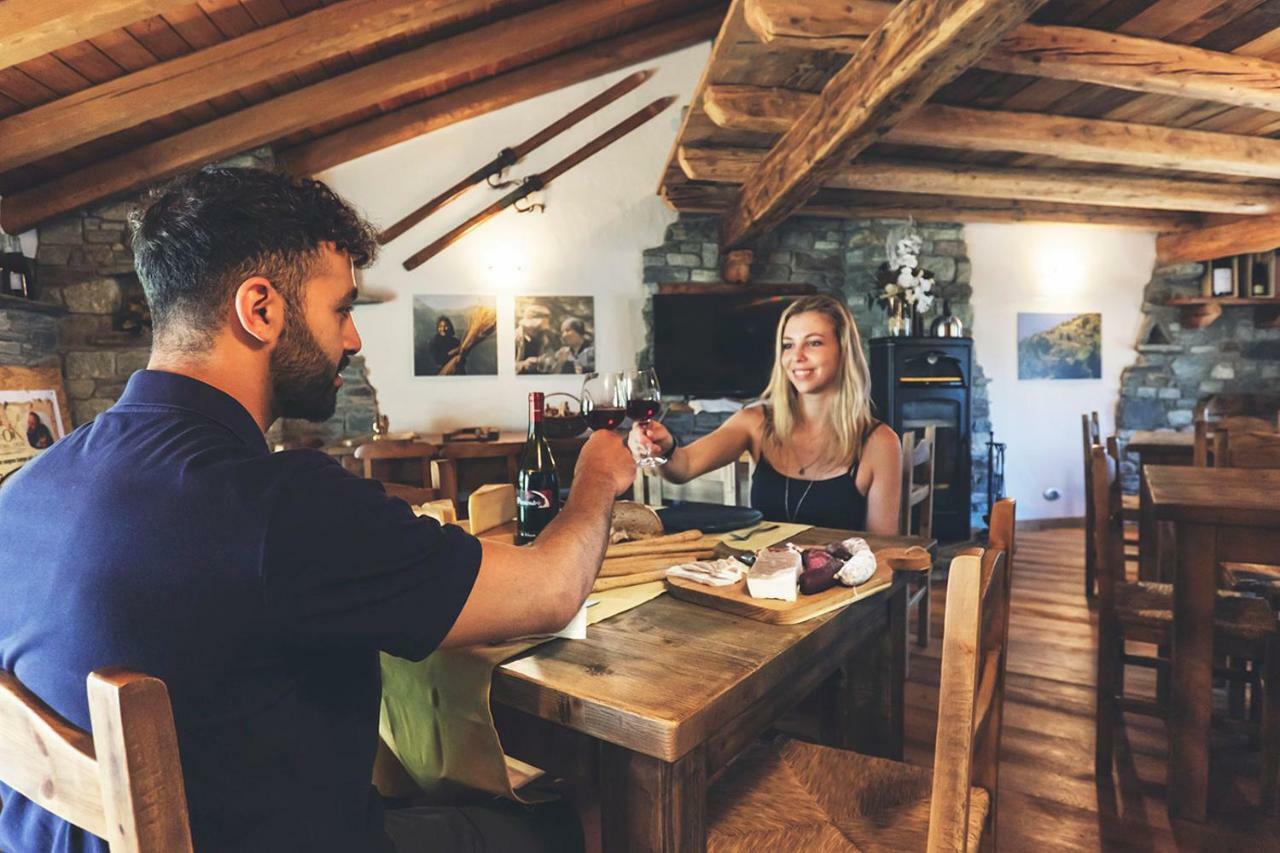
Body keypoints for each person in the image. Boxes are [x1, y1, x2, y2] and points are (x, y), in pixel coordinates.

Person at [0, 167, 636, 853]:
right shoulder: (278, 503)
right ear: (261, 308)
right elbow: (552, 588)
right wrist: (596, 476)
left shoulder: (28, 489)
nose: (354, 339)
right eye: (341, 309)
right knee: (588, 816)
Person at [629, 294, 902, 534]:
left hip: (840, 591)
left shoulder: (878, 443)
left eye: (814, 343)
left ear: (844, 351)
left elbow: (882, 552)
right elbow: (683, 467)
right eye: (788, 345)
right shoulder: (755, 422)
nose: (797, 356)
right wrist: (664, 447)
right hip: (762, 585)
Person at [515, 304, 554, 374]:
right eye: (538, 326)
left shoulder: (544, 338)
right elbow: (503, 368)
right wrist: (523, 365)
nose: (541, 329)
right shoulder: (514, 338)